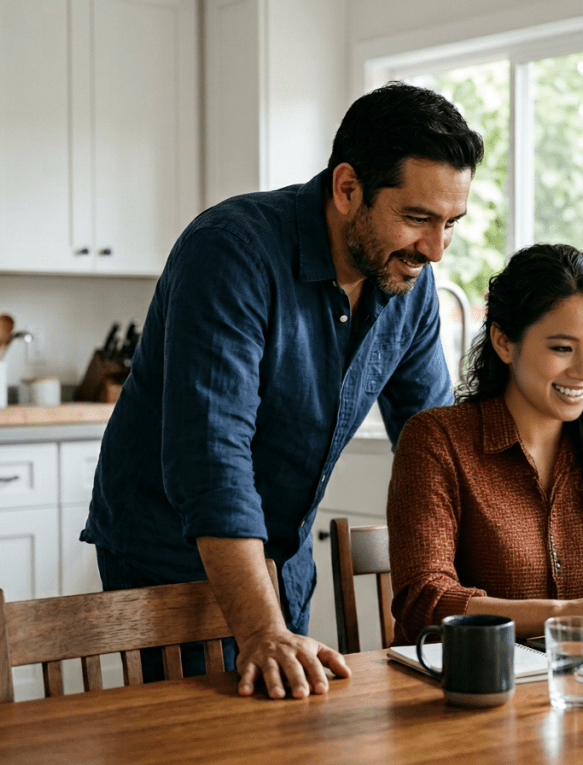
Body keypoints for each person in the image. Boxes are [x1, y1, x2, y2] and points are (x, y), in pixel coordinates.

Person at [80, 82, 485, 698]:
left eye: (451, 223)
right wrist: (263, 628)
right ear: (348, 189)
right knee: (192, 744)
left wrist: (503, 598)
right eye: (416, 218)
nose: (435, 249)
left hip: (283, 554)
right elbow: (211, 456)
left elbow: (435, 448)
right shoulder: (231, 251)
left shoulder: (410, 283)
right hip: (166, 555)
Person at [387, 244, 583, 644]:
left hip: (572, 684)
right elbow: (425, 602)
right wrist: (570, 614)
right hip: (459, 688)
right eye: (562, 348)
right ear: (504, 342)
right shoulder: (436, 440)